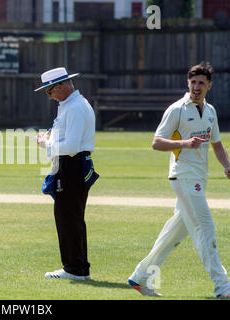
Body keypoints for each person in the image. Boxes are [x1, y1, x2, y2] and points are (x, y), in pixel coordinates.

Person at [128, 62, 230, 299]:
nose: (196, 87)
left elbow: (216, 143)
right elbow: (156, 142)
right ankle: (223, 285)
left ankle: (140, 276)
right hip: (182, 176)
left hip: (199, 179)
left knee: (174, 234)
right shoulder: (177, 110)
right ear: (188, 83)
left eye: (201, 83)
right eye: (193, 82)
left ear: (209, 86)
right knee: (205, 228)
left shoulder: (211, 111)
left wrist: (226, 165)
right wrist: (184, 143)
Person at [35, 67, 98, 281]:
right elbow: (64, 136)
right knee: (66, 217)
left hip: (73, 165)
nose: (49, 96)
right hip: (67, 165)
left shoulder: (76, 107)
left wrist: (46, 144)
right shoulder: (68, 106)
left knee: (69, 217)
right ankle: (76, 266)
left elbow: (72, 146)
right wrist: (50, 138)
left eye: (49, 91)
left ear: (60, 86)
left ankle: (75, 268)